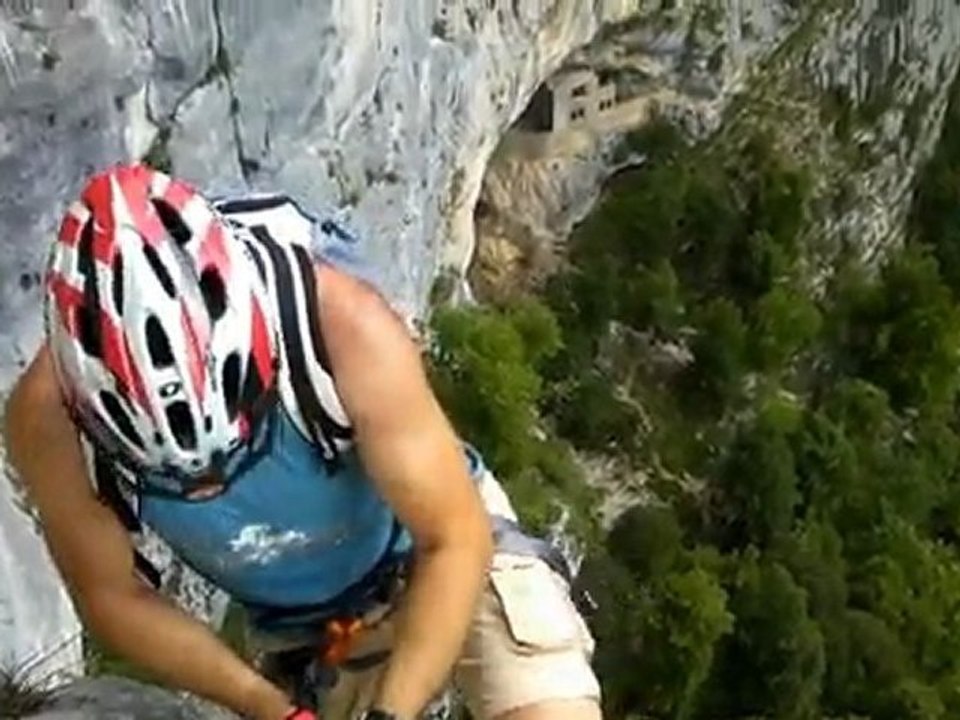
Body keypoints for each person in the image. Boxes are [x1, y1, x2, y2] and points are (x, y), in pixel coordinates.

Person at [3, 164, 602, 720]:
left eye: (231, 451)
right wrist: (270, 708)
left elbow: (454, 538)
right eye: (179, 476)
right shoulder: (48, 421)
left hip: (442, 552)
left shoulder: (344, 328)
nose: (209, 484)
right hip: (307, 631)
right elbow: (114, 597)